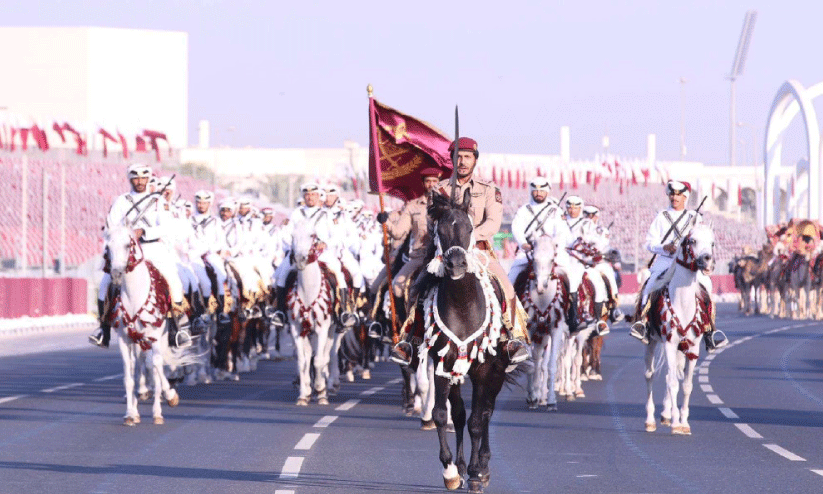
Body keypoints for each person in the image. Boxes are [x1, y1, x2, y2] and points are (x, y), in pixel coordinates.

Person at [390, 137, 530, 366]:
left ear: (475, 159)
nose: (462, 161)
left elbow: (493, 223)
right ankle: (410, 341)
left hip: (479, 251)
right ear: (452, 160)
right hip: (444, 252)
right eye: (458, 157)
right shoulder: (440, 189)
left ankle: (513, 340)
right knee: (417, 288)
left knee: (506, 287)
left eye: (467, 157)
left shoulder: (488, 189)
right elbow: (433, 222)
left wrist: (468, 238)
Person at [89, 163, 191, 348]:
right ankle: (103, 330)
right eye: (136, 178)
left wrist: (143, 230)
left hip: (152, 248)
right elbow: (111, 227)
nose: (140, 181)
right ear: (130, 179)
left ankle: (177, 329)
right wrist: (124, 234)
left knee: (173, 281)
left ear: (148, 179)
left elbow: (165, 226)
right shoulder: (121, 201)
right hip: (127, 250)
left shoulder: (158, 201)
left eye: (144, 178)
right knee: (105, 284)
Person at [629, 180, 726, 351]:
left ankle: (710, 330)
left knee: (707, 286)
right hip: (666, 260)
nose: (675, 197)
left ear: (685, 197)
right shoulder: (661, 216)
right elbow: (649, 243)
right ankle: (643, 323)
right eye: (672, 194)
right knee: (650, 284)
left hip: (688, 263)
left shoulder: (695, 218)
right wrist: (663, 247)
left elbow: (703, 243)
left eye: (679, 195)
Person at [507, 177, 588, 332]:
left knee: (572, 276)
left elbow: (562, 232)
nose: (538, 193)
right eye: (535, 190)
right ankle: (509, 318)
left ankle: (573, 317)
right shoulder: (524, 210)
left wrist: (555, 245)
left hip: (552, 252)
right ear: (531, 191)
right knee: (511, 279)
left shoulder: (555, 211)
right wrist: (523, 243)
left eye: (542, 190)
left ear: (547, 192)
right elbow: (516, 228)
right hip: (529, 251)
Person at [272, 183, 357, 328]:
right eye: (307, 195)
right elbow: (286, 234)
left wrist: (326, 243)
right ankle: (280, 312)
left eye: (313, 194)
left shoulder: (326, 214)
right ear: (303, 196)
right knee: (280, 275)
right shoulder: (297, 213)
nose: (310, 197)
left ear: (318, 196)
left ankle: (343, 312)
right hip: (299, 254)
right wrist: (293, 246)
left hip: (322, 254)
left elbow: (336, 236)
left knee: (338, 274)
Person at [377, 167, 443, 320]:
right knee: (397, 286)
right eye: (428, 181)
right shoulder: (412, 206)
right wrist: (385, 222)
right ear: (423, 183)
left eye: (434, 181)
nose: (431, 184)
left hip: (441, 256)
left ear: (439, 183)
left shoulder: (448, 204)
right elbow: (399, 232)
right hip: (420, 256)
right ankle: (405, 323)